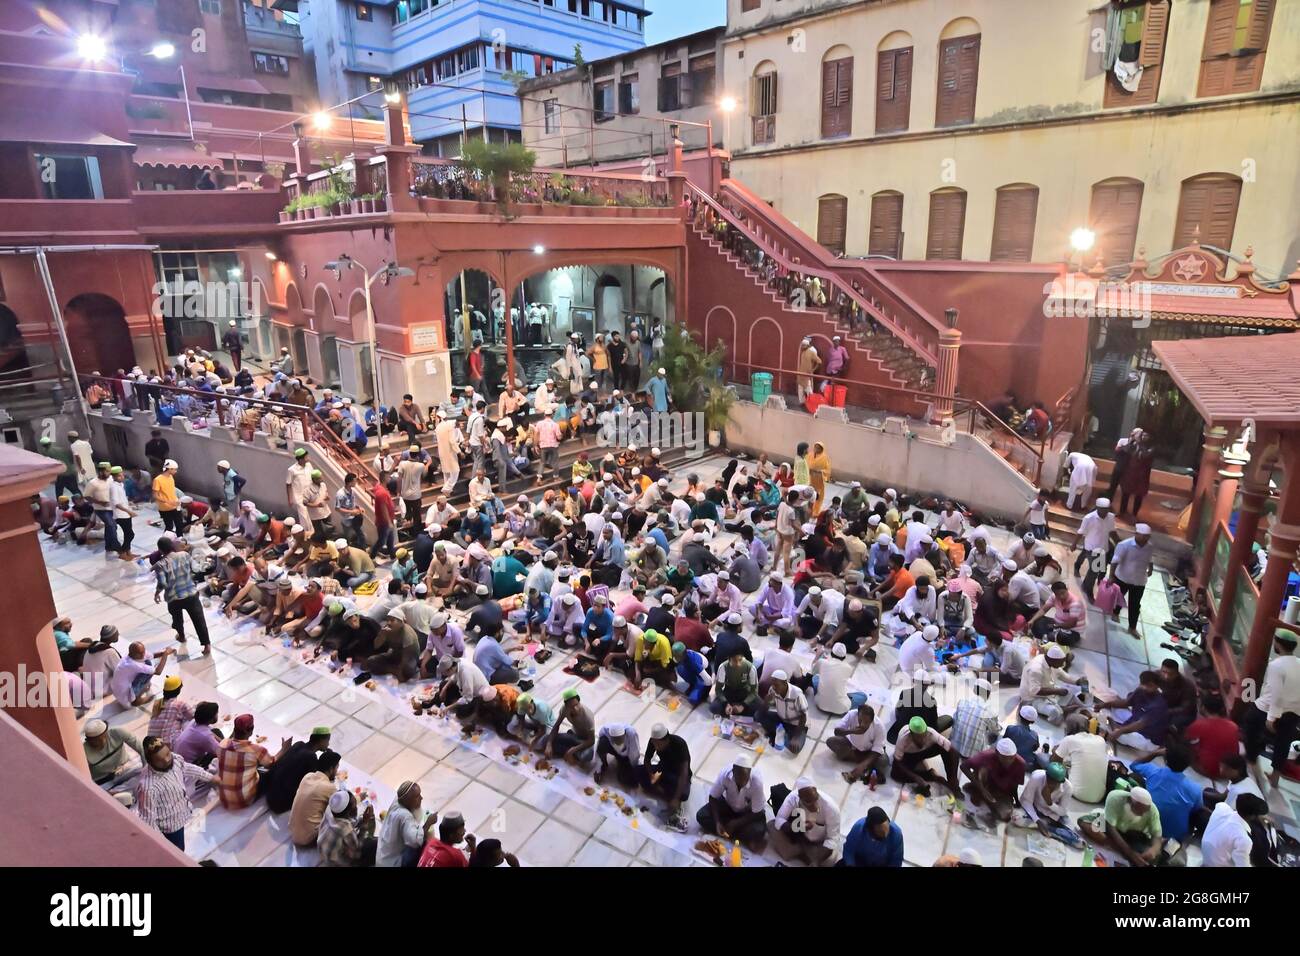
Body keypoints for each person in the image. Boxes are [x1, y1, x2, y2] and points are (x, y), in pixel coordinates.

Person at [134, 736, 215, 851]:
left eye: (167, 754)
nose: (166, 760)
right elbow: (148, 821)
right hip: (170, 827)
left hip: (181, 813)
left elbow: (187, 768)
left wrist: (211, 778)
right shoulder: (149, 787)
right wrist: (164, 846)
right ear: (150, 762)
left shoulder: (175, 759)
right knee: (178, 851)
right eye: (159, 760)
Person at [1242, 629, 1300, 789]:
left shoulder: (1276, 665)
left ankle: (1252, 759)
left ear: (1278, 643)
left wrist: (1271, 718)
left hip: (1269, 709)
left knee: (1249, 723)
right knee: (1283, 743)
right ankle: (1275, 777)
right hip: (1293, 712)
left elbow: (1276, 693)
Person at [215, 714, 289, 810]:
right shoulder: (256, 750)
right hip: (243, 800)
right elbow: (272, 762)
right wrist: (284, 749)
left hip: (223, 796)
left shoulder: (223, 744)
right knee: (270, 772)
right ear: (251, 731)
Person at [153, 536, 211, 654]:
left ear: (160, 550)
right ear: (172, 546)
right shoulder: (184, 555)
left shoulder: (160, 565)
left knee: (177, 620)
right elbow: (195, 568)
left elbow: (162, 583)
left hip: (174, 598)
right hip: (191, 594)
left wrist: (157, 593)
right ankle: (206, 645)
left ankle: (182, 636)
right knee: (199, 620)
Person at [1080, 786, 1164, 867]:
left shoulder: (1153, 811)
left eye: (1145, 811)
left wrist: (1153, 850)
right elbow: (1110, 827)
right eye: (1139, 811)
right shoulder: (1115, 797)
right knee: (1085, 823)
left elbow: (1157, 836)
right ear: (1131, 802)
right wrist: (1129, 852)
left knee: (1154, 855)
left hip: (1133, 835)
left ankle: (1122, 848)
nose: (1142, 814)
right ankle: (1117, 847)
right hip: (1109, 827)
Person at [698, 754, 767, 851]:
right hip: (728, 805)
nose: (742, 782)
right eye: (739, 777)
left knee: (758, 831)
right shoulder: (725, 774)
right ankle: (729, 830)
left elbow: (757, 812)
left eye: (745, 778)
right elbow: (713, 797)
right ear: (733, 770)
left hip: (748, 814)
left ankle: (728, 829)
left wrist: (735, 823)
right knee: (702, 815)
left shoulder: (757, 782)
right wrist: (717, 822)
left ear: (750, 772)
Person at [772, 777, 839, 866]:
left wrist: (816, 861)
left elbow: (832, 839)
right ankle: (802, 854)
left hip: (818, 844)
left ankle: (804, 855)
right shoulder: (793, 798)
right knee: (771, 825)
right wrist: (797, 827)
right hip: (799, 837)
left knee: (830, 860)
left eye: (815, 799)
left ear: (816, 791)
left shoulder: (831, 808)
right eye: (808, 801)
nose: (814, 804)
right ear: (800, 797)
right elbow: (779, 820)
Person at [265, 727, 332, 814]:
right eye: (327, 741)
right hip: (280, 803)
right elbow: (315, 781)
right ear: (321, 740)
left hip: (269, 792)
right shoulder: (311, 757)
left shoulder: (298, 744)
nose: (328, 744)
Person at [1097, 669, 1170, 748]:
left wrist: (1120, 731)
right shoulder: (1141, 689)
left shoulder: (1158, 705)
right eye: (1144, 683)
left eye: (1149, 685)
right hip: (1135, 719)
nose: (1144, 687)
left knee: (1120, 737)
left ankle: (1115, 726)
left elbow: (1140, 724)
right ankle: (1116, 726)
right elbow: (1126, 703)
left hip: (1147, 738)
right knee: (1114, 706)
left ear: (1157, 686)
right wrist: (1104, 705)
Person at [891, 716, 961, 797]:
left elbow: (953, 751)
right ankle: (931, 776)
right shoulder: (903, 737)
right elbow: (897, 760)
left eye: (923, 735)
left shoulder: (931, 733)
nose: (922, 739)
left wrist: (954, 777)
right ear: (911, 734)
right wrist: (915, 777)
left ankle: (951, 783)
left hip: (925, 751)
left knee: (946, 750)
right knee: (895, 774)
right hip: (909, 755)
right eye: (918, 737)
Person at [961, 737, 1026, 823]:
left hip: (1003, 792)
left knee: (1005, 816)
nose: (1009, 761)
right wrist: (982, 789)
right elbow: (964, 766)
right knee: (982, 769)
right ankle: (978, 791)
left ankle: (984, 797)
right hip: (986, 785)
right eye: (1005, 758)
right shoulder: (986, 756)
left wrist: (1016, 801)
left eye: (1011, 758)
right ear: (997, 753)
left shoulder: (1020, 764)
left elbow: (1015, 785)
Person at [639, 722, 691, 831]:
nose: (656, 746)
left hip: (677, 773)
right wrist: (651, 776)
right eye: (655, 744)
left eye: (659, 744)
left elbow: (684, 772)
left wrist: (676, 798)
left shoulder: (679, 744)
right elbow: (647, 759)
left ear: (666, 740)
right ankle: (665, 794)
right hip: (663, 768)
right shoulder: (653, 741)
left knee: (683, 794)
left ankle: (672, 799)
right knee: (638, 772)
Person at [377, 780, 439, 867]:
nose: (421, 798)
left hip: (383, 855)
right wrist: (429, 822)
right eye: (417, 796)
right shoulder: (405, 816)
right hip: (392, 863)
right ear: (408, 800)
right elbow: (416, 841)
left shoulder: (397, 802)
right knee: (424, 845)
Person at [1016, 762, 1080, 846]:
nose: (1051, 785)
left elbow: (1062, 812)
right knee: (1016, 818)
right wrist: (1037, 820)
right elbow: (1026, 801)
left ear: (1061, 782)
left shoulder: (1068, 788)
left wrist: (1050, 803)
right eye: (1049, 780)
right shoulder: (1037, 777)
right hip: (1035, 809)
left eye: (1054, 783)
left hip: (1053, 816)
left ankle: (1046, 827)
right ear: (1046, 776)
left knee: (1078, 841)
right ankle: (1046, 827)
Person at [289, 749, 342, 847]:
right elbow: (341, 804)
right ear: (331, 769)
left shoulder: (308, 776)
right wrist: (359, 798)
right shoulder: (329, 787)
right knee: (340, 816)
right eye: (336, 768)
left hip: (293, 832)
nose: (337, 771)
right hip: (308, 839)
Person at [827, 703, 889, 786]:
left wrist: (862, 765)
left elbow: (877, 749)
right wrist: (852, 731)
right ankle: (866, 763)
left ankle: (860, 760)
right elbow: (837, 731)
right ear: (857, 715)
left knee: (884, 761)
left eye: (866, 722)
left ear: (872, 720)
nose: (862, 724)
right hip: (852, 745)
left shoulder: (879, 726)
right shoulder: (852, 714)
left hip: (869, 751)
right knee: (831, 742)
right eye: (860, 720)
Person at [1109, 524, 1154, 636]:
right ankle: (1115, 612)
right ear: (1136, 534)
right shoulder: (1124, 545)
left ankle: (1132, 627)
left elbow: (1150, 558)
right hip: (1123, 577)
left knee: (1135, 604)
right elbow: (1115, 561)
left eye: (1147, 536)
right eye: (1142, 536)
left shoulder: (1149, 546)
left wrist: (1151, 569)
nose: (1144, 539)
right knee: (1119, 597)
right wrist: (1111, 576)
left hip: (1139, 580)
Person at [318, 789, 377, 867]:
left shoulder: (331, 808)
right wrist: (365, 824)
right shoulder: (345, 829)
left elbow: (349, 821)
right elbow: (356, 853)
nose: (356, 806)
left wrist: (362, 820)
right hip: (336, 863)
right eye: (355, 805)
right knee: (375, 844)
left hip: (323, 853)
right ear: (349, 812)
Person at [756, 669, 809, 753]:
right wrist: (766, 702)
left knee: (794, 748)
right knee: (758, 716)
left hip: (795, 724)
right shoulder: (772, 690)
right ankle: (778, 733)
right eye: (772, 684)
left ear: (785, 683)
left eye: (776, 685)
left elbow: (804, 716)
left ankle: (780, 733)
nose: (773, 687)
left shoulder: (796, 694)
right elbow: (762, 712)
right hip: (781, 718)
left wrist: (796, 737)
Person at [83, 718, 145, 788]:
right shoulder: (83, 751)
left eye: (101, 738)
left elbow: (142, 749)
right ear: (88, 740)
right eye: (94, 740)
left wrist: (147, 772)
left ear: (106, 733)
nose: (100, 742)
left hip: (125, 769)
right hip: (104, 782)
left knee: (142, 775)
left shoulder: (117, 732)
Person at [544, 687, 596, 767]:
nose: (575, 709)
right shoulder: (564, 709)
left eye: (576, 704)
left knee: (586, 756)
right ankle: (570, 752)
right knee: (548, 739)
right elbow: (556, 725)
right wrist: (549, 744)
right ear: (566, 705)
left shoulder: (588, 716)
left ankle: (570, 751)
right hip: (573, 735)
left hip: (584, 741)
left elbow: (591, 741)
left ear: (579, 701)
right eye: (571, 707)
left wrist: (573, 750)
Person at [593, 723, 641, 788]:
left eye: (620, 739)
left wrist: (633, 769)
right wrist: (597, 770)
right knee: (602, 743)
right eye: (615, 739)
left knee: (625, 779)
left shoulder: (631, 734)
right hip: (613, 750)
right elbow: (598, 751)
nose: (618, 741)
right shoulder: (604, 731)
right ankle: (604, 765)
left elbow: (634, 754)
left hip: (625, 756)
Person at [153, 459, 184, 535]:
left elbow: (171, 491)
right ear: (170, 469)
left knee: (179, 525)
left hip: (175, 505)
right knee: (169, 527)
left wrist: (176, 500)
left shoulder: (171, 477)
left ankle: (180, 540)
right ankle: (166, 542)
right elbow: (155, 495)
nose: (176, 471)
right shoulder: (157, 480)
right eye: (175, 469)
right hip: (165, 507)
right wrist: (168, 501)